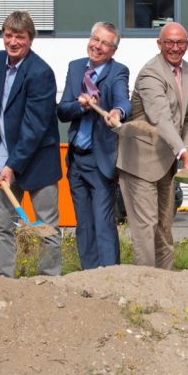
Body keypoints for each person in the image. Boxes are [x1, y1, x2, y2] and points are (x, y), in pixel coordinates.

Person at [0, 11, 62, 278]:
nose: (13, 42)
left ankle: (48, 279)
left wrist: (13, 164)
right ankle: (1, 278)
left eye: (19, 37)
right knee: (3, 225)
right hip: (2, 161)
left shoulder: (41, 73)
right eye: (8, 35)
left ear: (30, 39)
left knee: (46, 227)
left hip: (37, 164)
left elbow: (34, 128)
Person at [116, 22, 188, 269]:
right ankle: (147, 287)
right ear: (159, 44)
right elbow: (160, 117)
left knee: (165, 227)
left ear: (187, 44)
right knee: (146, 228)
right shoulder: (150, 73)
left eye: (180, 43)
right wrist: (183, 152)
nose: (175, 48)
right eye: (169, 43)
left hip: (167, 162)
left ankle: (166, 282)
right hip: (140, 161)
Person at [56, 22, 130, 270]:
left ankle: (110, 278)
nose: (97, 46)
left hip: (101, 162)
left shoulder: (118, 71)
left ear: (113, 51)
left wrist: (117, 112)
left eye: (105, 43)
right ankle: (88, 278)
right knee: (84, 224)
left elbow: (122, 100)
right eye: (94, 39)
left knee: (103, 223)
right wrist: (81, 106)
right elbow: (63, 111)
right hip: (76, 160)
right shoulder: (76, 68)